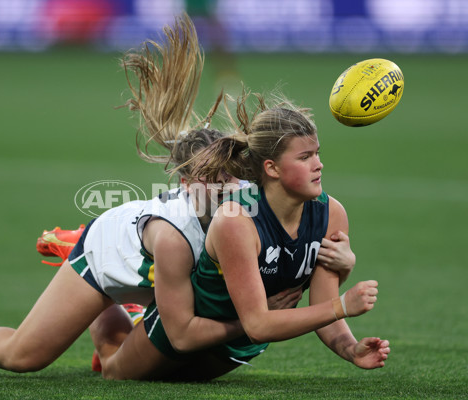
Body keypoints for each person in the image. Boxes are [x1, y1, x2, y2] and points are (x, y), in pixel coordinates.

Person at [0, 15, 349, 376]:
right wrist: (260, 320)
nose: (220, 189)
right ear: (184, 187)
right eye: (205, 182)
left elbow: (284, 251)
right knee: (25, 356)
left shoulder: (247, 202)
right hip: (110, 254)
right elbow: (184, 334)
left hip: (162, 272)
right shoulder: (173, 236)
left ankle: (123, 307)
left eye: (226, 180)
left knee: (128, 345)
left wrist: (339, 261)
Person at [86, 90, 389, 381]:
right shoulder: (236, 219)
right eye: (305, 157)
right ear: (271, 168)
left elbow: (320, 306)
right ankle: (102, 274)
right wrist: (343, 306)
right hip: (194, 327)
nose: (318, 164)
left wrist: (351, 350)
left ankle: (134, 310)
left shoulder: (330, 214)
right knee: (113, 369)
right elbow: (258, 323)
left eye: (317, 153)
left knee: (182, 382)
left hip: (241, 344)